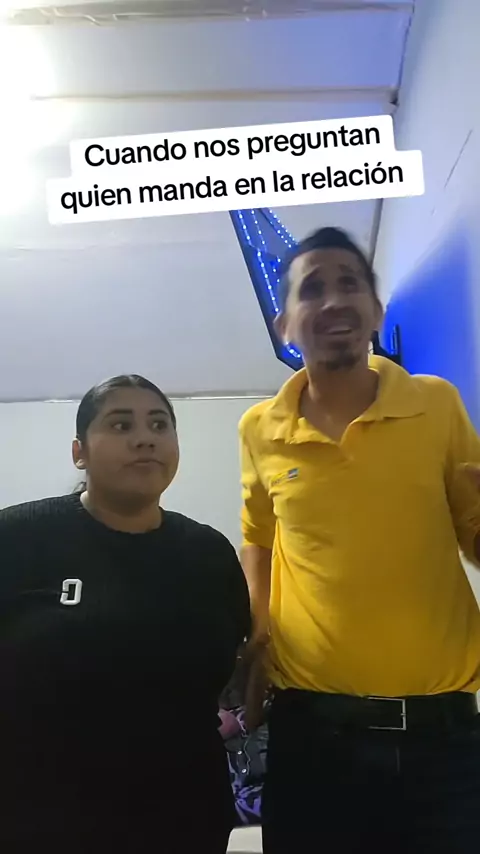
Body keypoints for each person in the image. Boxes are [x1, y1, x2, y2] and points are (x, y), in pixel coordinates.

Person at [239, 226, 480, 853]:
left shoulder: (437, 404)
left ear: (376, 310)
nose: (333, 301)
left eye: (350, 283)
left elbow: (474, 534)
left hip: (442, 739)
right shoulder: (259, 429)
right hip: (312, 738)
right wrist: (258, 633)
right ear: (284, 325)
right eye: (311, 289)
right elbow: (257, 537)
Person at [0, 374, 250, 853]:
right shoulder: (19, 537)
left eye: (159, 424)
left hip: (185, 814)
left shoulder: (208, 552)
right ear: (79, 452)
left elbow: (233, 665)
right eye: (120, 425)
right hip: (41, 817)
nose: (144, 438)